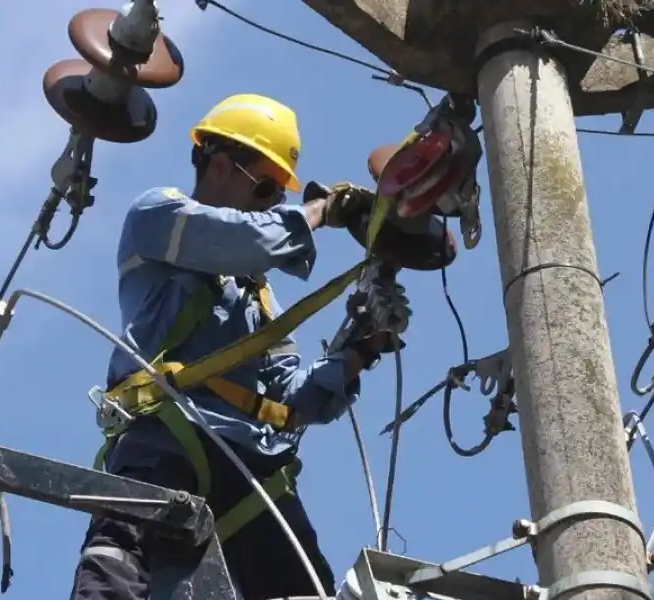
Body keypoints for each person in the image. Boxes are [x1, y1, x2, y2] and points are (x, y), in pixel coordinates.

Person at [69, 93, 405, 600]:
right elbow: (245, 240)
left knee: (306, 588)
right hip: (166, 438)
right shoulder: (159, 216)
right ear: (221, 165)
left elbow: (291, 399)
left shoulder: (256, 298)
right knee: (118, 567)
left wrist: (363, 345)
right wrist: (318, 212)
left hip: (248, 465)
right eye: (267, 189)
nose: (274, 205)